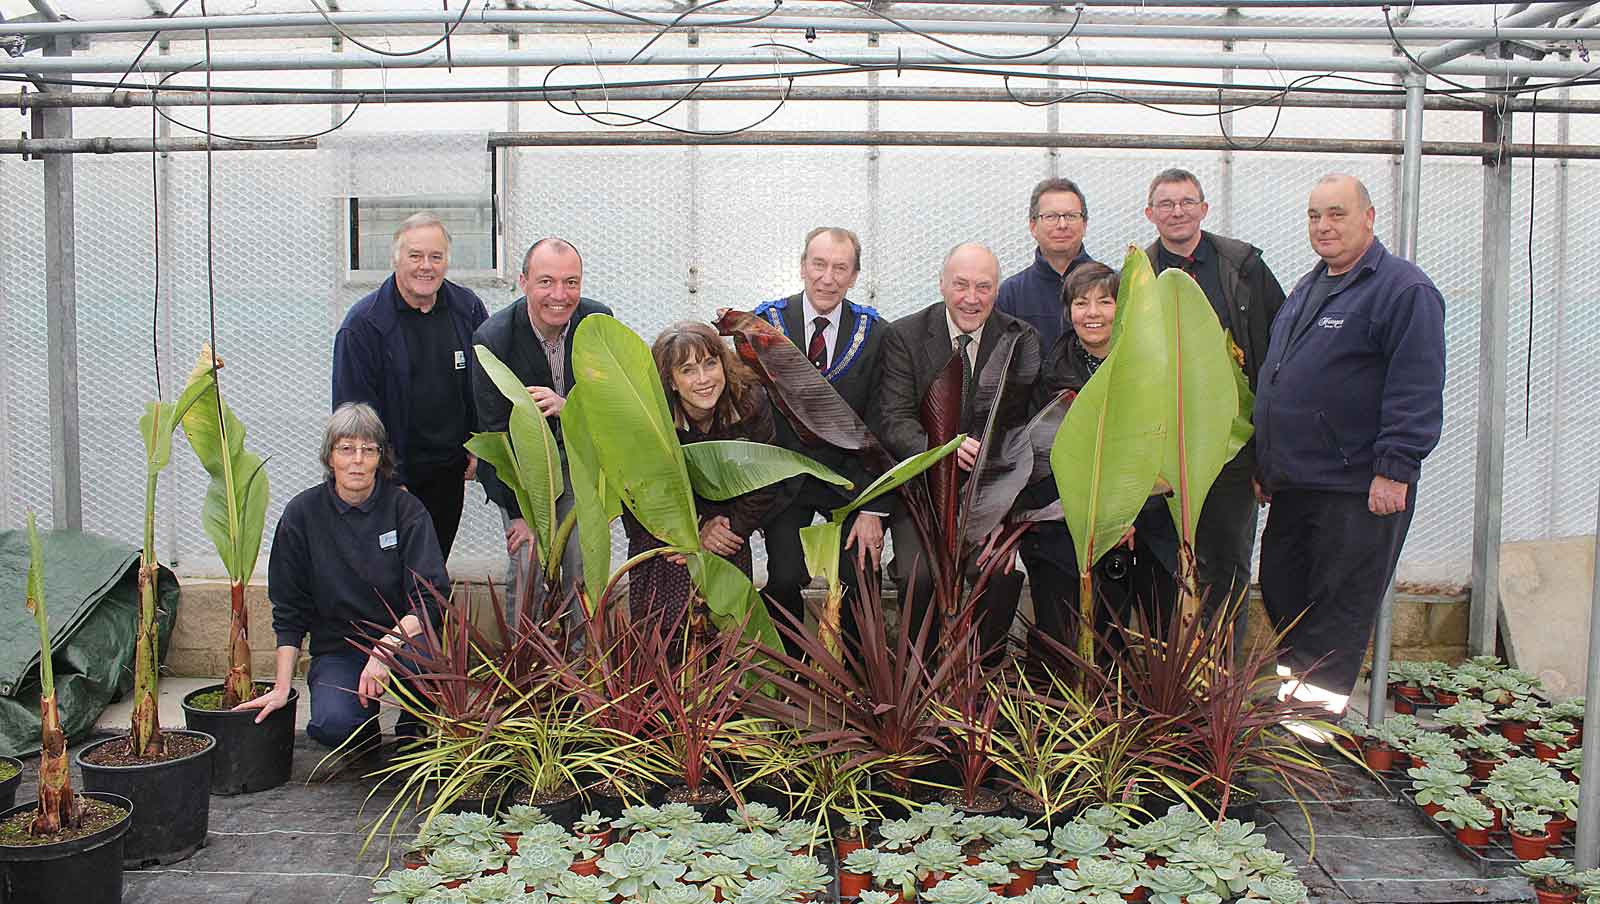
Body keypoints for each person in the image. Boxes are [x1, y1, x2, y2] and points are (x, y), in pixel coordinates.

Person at [1255, 173, 1446, 714]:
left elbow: (1416, 384)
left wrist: (1396, 467)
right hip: (1296, 483)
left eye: (1336, 213)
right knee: (1285, 593)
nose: (1323, 226)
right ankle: (1295, 713)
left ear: (1369, 216)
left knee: (1338, 610)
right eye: (1315, 216)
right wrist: (1265, 463)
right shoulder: (1310, 286)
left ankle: (1311, 736)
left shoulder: (1402, 290)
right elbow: (1281, 380)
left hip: (1356, 487)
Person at [235, 403, 448, 752]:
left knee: (426, 679)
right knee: (335, 727)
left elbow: (431, 596)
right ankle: (362, 733)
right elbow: (289, 610)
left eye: (368, 450)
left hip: (403, 642)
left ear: (381, 458)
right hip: (340, 648)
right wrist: (281, 687)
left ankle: (413, 730)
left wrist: (383, 651)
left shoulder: (405, 510)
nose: (357, 460)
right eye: (346, 449)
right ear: (329, 456)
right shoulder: (302, 514)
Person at [877, 242, 1041, 655]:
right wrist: (941, 449)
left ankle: (983, 676)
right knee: (921, 577)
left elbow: (1025, 429)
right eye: (961, 285)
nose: (972, 298)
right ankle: (919, 678)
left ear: (997, 289)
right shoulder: (905, 336)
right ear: (942, 285)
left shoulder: (1020, 338)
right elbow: (893, 420)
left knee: (998, 572)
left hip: (990, 495)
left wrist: (1008, 511)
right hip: (922, 495)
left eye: (983, 287)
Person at [1143, 168, 1286, 614]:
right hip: (1165, 446)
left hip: (1232, 442)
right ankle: (1173, 674)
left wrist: (1267, 447)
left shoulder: (1242, 269)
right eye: (1166, 204)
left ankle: (1221, 672)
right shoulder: (1140, 275)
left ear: (1204, 209)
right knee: (1169, 560)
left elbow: (1275, 350)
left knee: (1227, 561)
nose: (1177, 212)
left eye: (1187, 202)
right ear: (1150, 214)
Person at [1017, 263, 1179, 650]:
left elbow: (1159, 449)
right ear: (1068, 311)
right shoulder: (1051, 372)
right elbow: (1046, 455)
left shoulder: (1147, 366)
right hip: (1067, 518)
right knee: (1067, 632)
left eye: (1105, 302)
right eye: (1080, 303)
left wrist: (1123, 512)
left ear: (1121, 308)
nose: (1093, 313)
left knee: (1126, 636)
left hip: (1144, 520)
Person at [752, 227, 889, 647]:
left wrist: (875, 509)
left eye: (840, 268)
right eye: (819, 264)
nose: (828, 278)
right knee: (785, 576)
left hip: (852, 484)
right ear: (802, 266)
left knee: (859, 577)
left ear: (854, 275)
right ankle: (787, 678)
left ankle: (862, 686)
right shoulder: (763, 325)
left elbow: (885, 421)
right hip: (785, 483)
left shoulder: (875, 333)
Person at [332, 212, 489, 560]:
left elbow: (485, 385)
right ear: (395, 259)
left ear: (447, 260)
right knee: (388, 574)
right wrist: (390, 480)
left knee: (432, 569)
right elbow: (353, 417)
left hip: (448, 475)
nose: (426, 267)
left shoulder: (467, 309)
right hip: (389, 478)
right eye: (415, 256)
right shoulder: (364, 326)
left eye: (436, 257)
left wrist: (481, 447)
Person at [472, 238, 612, 610]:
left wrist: (569, 408)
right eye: (546, 282)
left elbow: (613, 405)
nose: (560, 295)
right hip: (524, 471)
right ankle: (524, 663)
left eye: (571, 282)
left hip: (580, 461)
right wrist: (518, 514)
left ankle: (584, 663)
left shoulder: (597, 322)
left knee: (582, 565)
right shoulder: (494, 339)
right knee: (527, 563)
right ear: (523, 282)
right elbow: (494, 435)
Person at [625, 322, 780, 629]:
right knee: (668, 621)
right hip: (664, 527)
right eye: (688, 370)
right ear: (671, 381)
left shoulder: (749, 402)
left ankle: (725, 676)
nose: (703, 379)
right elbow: (638, 492)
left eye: (710, 364)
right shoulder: (650, 417)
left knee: (729, 624)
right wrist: (692, 532)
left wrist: (729, 528)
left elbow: (768, 478)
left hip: (728, 525)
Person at [997, 177, 1096, 353]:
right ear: (1033, 226)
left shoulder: (1110, 285)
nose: (1062, 225)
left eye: (1071, 216)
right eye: (1051, 217)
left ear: (1085, 224)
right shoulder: (1011, 294)